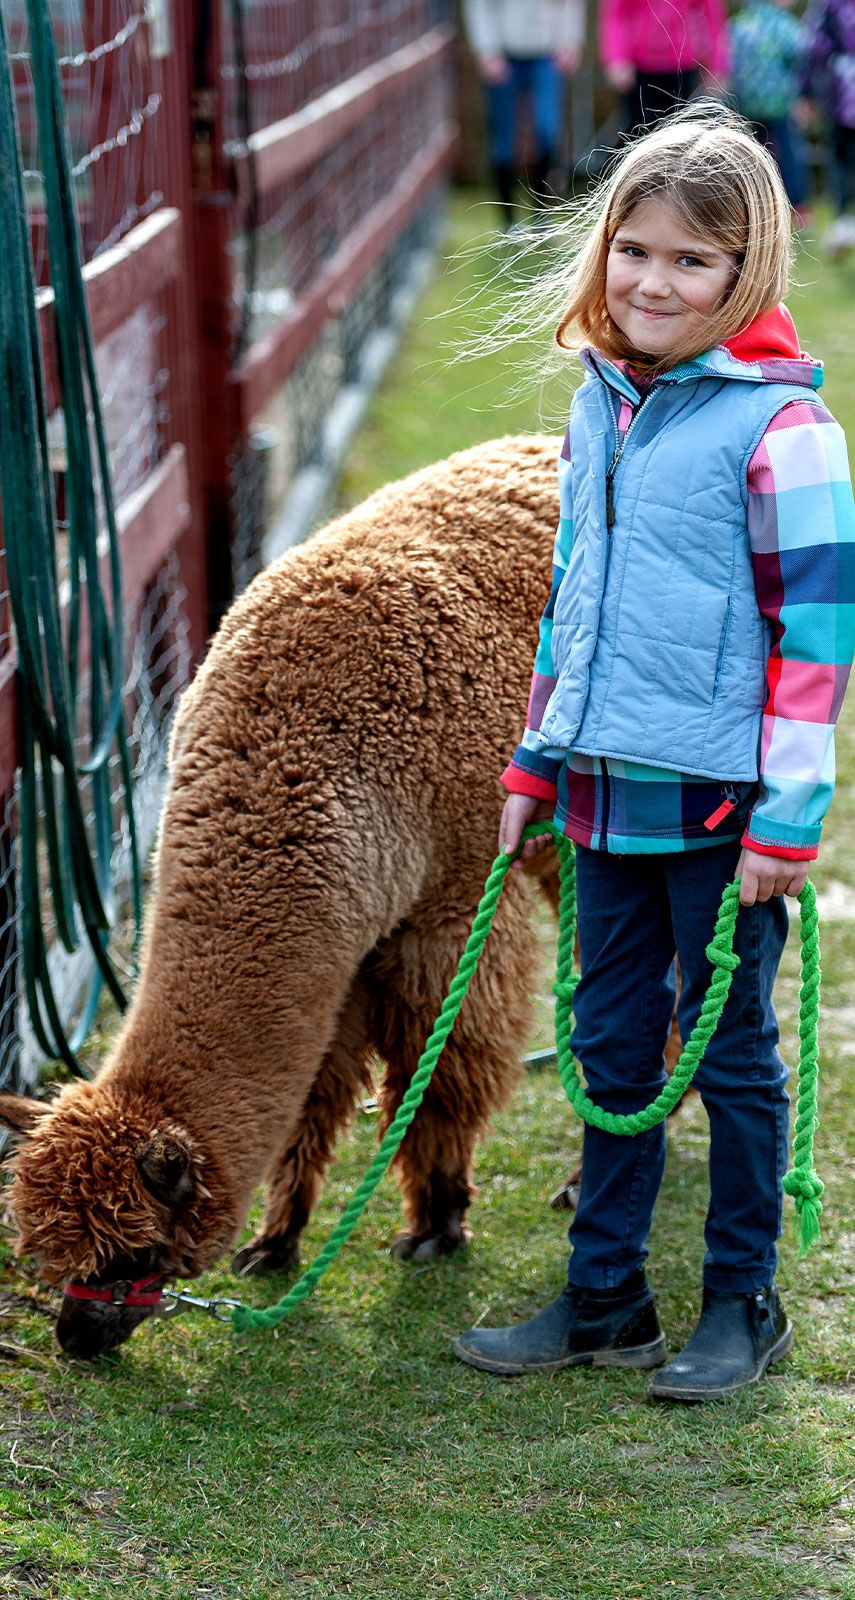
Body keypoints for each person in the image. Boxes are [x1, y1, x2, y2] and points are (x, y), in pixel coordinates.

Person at [453, 105, 855, 1402]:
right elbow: (571, 600)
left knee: (726, 1052)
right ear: (600, 252)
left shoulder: (781, 435)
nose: (652, 282)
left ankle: (739, 1299)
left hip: (719, 804)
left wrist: (785, 817)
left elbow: (814, 640)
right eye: (633, 250)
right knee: (610, 1045)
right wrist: (532, 761)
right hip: (599, 788)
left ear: (748, 273)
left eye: (692, 261)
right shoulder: (599, 410)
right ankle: (602, 1292)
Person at [462, 0, 585, 228]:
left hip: (546, 55)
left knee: (548, 133)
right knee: (503, 139)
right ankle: (508, 221)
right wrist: (486, 50)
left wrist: (570, 41)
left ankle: (540, 216)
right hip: (504, 54)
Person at [728, 0, 811, 219]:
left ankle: (752, 202)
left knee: (750, 153)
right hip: (779, 104)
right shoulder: (784, 25)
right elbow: (804, 57)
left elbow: (729, 60)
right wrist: (802, 97)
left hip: (745, 103)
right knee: (789, 153)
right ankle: (797, 206)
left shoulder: (740, 23)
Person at [600, 0, 730, 133]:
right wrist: (616, 57)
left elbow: (712, 13)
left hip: (683, 65)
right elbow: (615, 13)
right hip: (639, 68)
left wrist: (716, 65)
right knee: (640, 132)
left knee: (681, 133)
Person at [801, 0, 855, 254]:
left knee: (842, 156)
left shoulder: (830, 6)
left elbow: (815, 45)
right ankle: (843, 223)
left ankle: (843, 220)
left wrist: (807, 89)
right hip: (842, 91)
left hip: (843, 89)